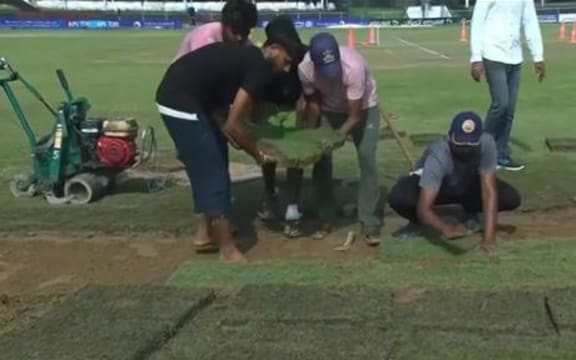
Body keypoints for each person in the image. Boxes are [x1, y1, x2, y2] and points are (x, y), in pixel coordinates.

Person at [155, 37, 300, 262]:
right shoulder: (259, 67)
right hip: (179, 100)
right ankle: (228, 250)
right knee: (214, 172)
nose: (287, 68)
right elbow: (235, 123)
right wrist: (259, 154)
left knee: (214, 160)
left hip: (196, 100)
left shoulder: (247, 58)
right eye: (287, 60)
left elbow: (218, 103)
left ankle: (204, 234)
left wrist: (227, 132)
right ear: (273, 49)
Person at [170, 0, 257, 250]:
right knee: (208, 165)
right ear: (225, 25)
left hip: (211, 104)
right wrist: (230, 128)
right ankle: (208, 232)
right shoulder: (205, 39)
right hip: (188, 102)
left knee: (217, 161)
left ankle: (212, 227)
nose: (242, 39)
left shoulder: (243, 44)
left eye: (247, 33)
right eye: (237, 33)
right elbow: (206, 86)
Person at [387, 111, 521, 252]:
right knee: (400, 196)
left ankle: (472, 211)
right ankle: (416, 222)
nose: (465, 149)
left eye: (470, 144)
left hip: (466, 184)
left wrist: (489, 239)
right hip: (437, 187)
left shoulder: (487, 143)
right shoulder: (439, 155)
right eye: (461, 144)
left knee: (510, 197)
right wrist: (445, 228)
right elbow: (423, 208)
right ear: (450, 136)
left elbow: (489, 192)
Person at [297, 32, 382, 245]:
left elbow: (354, 116)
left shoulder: (354, 67)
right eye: (325, 71)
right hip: (328, 108)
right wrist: (315, 133)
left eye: (333, 68)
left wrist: (339, 136)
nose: (331, 75)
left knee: (366, 158)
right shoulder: (305, 70)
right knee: (322, 158)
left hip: (363, 108)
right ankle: (326, 217)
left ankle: (369, 222)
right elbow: (313, 102)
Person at [470, 0, 545, 171]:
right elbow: (478, 22)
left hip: (515, 56)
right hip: (492, 53)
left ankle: (501, 155)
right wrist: (476, 58)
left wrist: (538, 56)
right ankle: (480, 151)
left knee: (509, 109)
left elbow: (530, 22)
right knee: (501, 104)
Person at [254, 16, 311, 238]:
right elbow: (256, 95)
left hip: (297, 105)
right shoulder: (263, 60)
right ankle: (270, 197)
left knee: (295, 157)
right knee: (268, 154)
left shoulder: (305, 56)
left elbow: (308, 94)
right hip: (270, 107)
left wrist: (299, 121)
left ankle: (292, 209)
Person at [172, 0, 258, 62]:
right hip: (183, 81)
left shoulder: (243, 39)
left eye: (245, 33)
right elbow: (205, 70)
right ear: (224, 25)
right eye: (235, 32)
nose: (240, 38)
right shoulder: (205, 37)